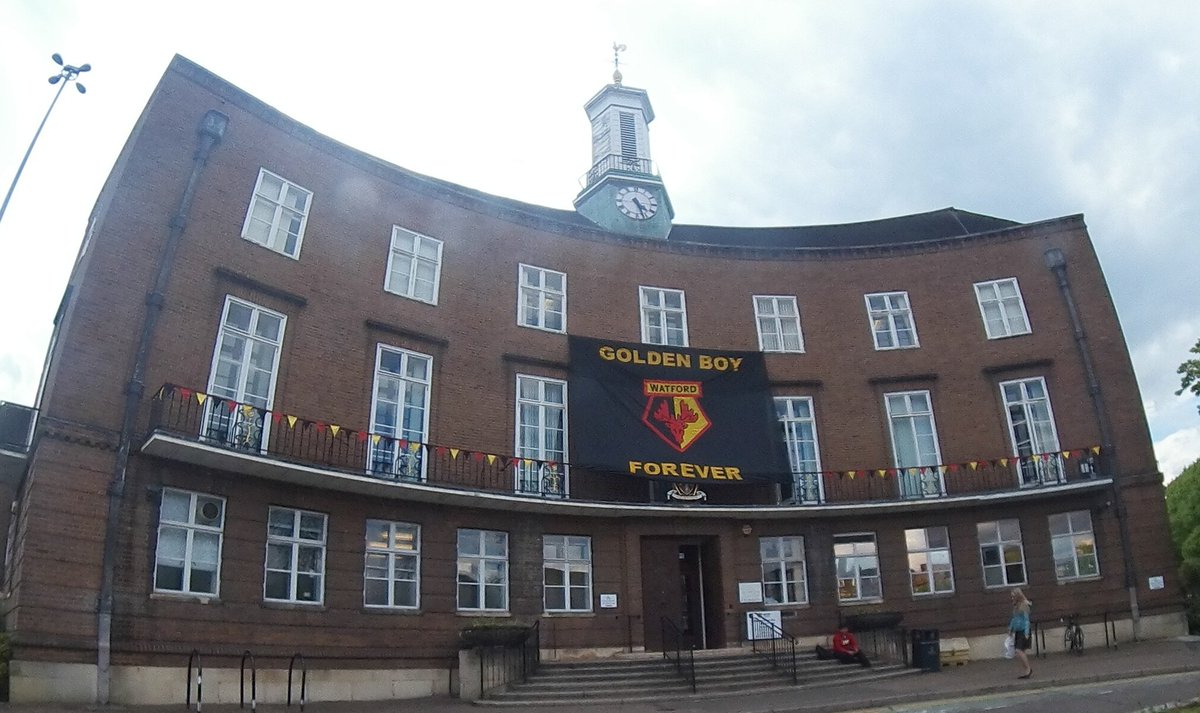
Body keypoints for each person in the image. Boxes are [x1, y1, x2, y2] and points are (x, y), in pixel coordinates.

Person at [1009, 587, 1033, 678]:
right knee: (1020, 651)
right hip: (1018, 630)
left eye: (1013, 596)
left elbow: (1026, 620)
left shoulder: (1024, 605)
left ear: (1018, 596)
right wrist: (1011, 629)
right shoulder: (1016, 606)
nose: (1012, 598)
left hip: (1023, 630)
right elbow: (1014, 618)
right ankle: (1026, 670)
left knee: (1019, 650)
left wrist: (1026, 633)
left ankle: (1028, 669)